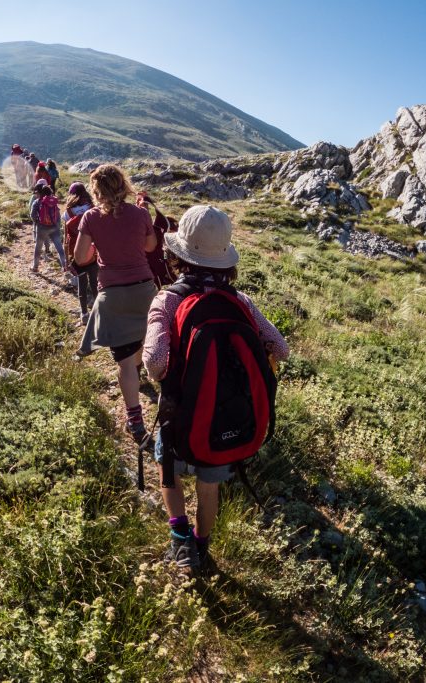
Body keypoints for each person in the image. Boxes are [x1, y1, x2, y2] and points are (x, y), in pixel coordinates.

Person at [143, 205, 289, 572]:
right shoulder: (240, 302)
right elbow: (281, 348)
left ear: (180, 255)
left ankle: (180, 541)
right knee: (210, 486)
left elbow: (156, 362)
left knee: (169, 472)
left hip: (178, 413)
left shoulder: (168, 299)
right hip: (225, 414)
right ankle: (203, 547)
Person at [73, 164, 158, 442]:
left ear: (96, 190)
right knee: (141, 343)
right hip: (145, 291)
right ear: (123, 184)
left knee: (123, 361)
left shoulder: (90, 218)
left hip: (113, 294)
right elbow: (150, 247)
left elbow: (80, 258)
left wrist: (100, 247)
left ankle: (135, 419)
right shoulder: (140, 213)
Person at [62, 182, 99, 325]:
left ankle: (84, 314)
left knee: (82, 284)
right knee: (95, 283)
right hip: (94, 253)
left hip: (77, 255)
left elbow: (66, 239)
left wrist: (66, 260)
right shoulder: (92, 207)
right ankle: (98, 311)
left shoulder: (68, 212)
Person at [29, 184, 67, 274]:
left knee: (38, 248)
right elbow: (58, 215)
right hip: (54, 227)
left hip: (42, 228)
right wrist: (57, 225)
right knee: (59, 247)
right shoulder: (54, 201)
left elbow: (32, 215)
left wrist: (38, 222)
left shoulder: (37, 202)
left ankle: (35, 267)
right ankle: (65, 267)